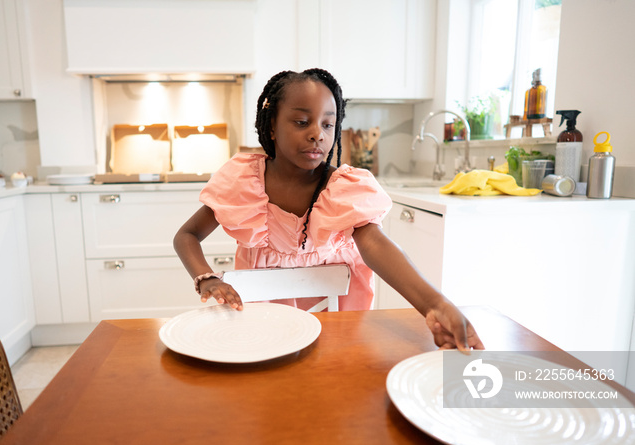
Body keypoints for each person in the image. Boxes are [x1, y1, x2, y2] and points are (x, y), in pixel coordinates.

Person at [173, 68, 484, 352]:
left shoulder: (344, 188)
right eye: (301, 122)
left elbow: (376, 244)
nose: (317, 134)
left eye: (327, 124)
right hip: (261, 325)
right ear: (271, 127)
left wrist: (434, 304)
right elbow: (186, 235)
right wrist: (207, 278)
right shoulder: (243, 181)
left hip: (336, 329)